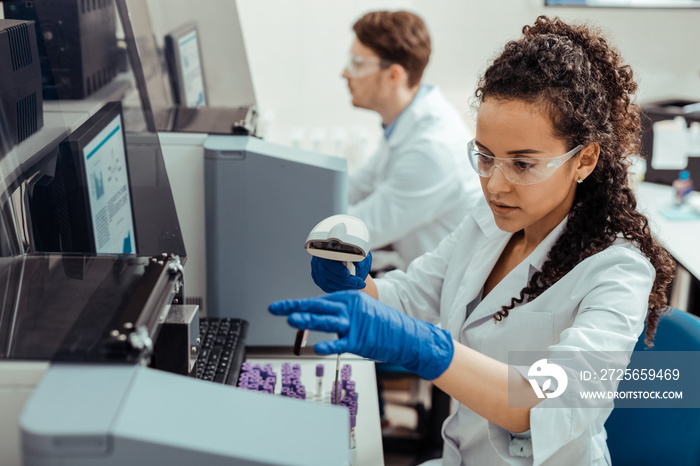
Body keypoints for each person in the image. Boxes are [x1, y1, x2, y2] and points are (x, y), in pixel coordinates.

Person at [270, 16, 676, 465]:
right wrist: (357, 287)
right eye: (485, 157)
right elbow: (411, 296)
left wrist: (427, 350)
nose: (495, 186)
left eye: (523, 165)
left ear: (584, 160)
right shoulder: (490, 224)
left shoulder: (618, 270)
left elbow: (546, 400)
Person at [342, 10, 481, 267]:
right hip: (417, 274)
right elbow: (354, 188)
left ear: (394, 75)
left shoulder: (431, 147)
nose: (345, 73)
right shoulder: (403, 124)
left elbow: (359, 230)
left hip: (439, 299)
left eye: (357, 64)